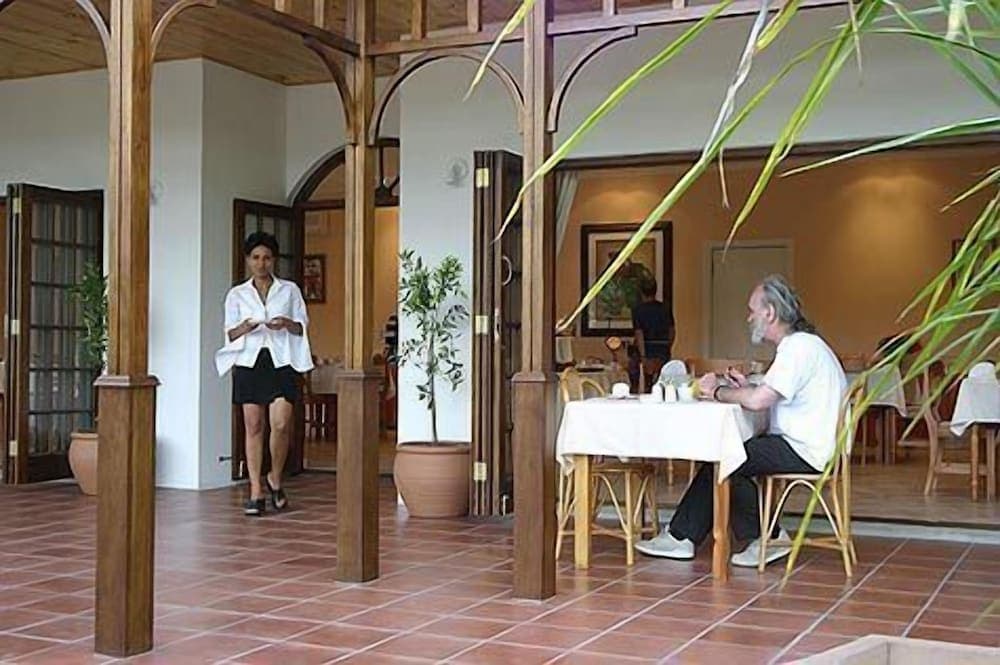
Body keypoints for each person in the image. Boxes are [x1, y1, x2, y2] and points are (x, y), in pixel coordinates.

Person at [635, 274, 846, 567]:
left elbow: (759, 401)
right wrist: (745, 387)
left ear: (769, 312)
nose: (749, 317)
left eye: (752, 310)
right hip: (816, 445)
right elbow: (771, 393)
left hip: (807, 449)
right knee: (730, 451)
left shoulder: (797, 348)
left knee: (729, 455)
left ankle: (762, 537)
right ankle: (682, 536)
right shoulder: (806, 345)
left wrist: (717, 392)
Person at [215, 232, 314, 516]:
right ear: (248, 260)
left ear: (274, 260)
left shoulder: (289, 290)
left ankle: (275, 477)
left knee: (281, 423)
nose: (261, 263)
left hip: (281, 360)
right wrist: (246, 326)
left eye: (267, 258)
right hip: (250, 361)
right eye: (256, 258)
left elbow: (302, 326)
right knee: (254, 425)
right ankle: (256, 489)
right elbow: (229, 333)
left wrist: (286, 323)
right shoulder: (237, 294)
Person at [631, 278, 675, 367]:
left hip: (647, 349)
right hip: (663, 350)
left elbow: (639, 334)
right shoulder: (665, 308)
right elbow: (672, 331)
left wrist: (643, 356)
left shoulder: (638, 310)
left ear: (641, 292)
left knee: (646, 374)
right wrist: (667, 346)